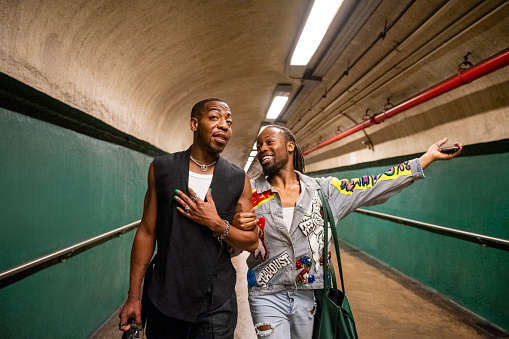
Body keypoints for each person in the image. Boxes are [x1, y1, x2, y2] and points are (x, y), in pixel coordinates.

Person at [234, 125, 462, 339]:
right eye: (259, 144)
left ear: (290, 146)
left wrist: (426, 158)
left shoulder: (323, 191)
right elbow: (233, 245)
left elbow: (373, 184)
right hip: (266, 293)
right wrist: (234, 226)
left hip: (310, 294)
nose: (262, 148)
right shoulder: (250, 193)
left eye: (269, 142)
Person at [119, 98, 258, 338]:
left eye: (229, 121)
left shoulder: (238, 179)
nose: (224, 125)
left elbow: (251, 240)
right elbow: (147, 232)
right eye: (215, 117)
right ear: (194, 124)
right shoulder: (162, 169)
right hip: (166, 294)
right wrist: (134, 296)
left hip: (216, 302)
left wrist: (217, 224)